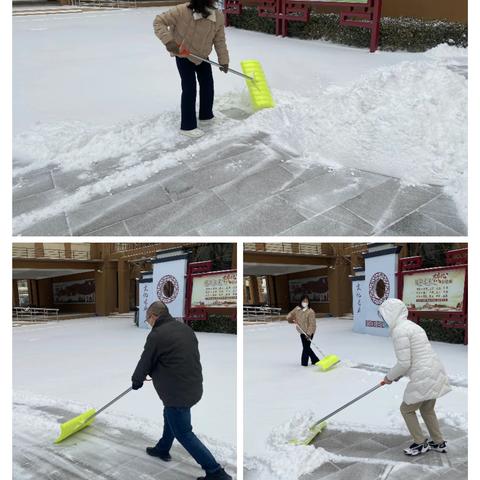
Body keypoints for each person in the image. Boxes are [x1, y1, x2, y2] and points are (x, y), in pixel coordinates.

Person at [131, 301, 232, 480]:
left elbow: (146, 360)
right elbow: (176, 356)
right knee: (169, 414)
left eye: (148, 319)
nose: (149, 323)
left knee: (183, 432)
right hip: (192, 386)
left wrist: (137, 380)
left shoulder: (157, 335)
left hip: (177, 393)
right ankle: (163, 448)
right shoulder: (184, 328)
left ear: (154, 316)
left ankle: (216, 472)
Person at [378, 298, 451, 457]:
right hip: (435, 370)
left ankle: (420, 443)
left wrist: (389, 377)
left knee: (406, 409)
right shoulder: (413, 326)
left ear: (391, 314)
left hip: (423, 375)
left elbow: (404, 363)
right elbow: (415, 357)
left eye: (383, 316)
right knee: (427, 408)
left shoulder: (399, 331)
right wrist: (396, 377)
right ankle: (438, 442)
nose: (383, 320)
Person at [153, 0, 230, 138]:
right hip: (183, 54)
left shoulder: (217, 16)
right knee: (189, 87)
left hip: (202, 55)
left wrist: (223, 60)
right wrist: (169, 41)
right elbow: (159, 21)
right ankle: (187, 126)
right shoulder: (181, 11)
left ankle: (206, 116)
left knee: (207, 84)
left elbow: (219, 40)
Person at [287, 294, 320, 366]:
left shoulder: (310, 311)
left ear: (308, 302)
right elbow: (290, 315)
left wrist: (308, 334)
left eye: (306, 301)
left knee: (306, 347)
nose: (305, 302)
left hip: (309, 332)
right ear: (301, 301)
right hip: (301, 331)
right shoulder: (297, 309)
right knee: (306, 347)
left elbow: (312, 324)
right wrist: (290, 319)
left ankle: (306, 362)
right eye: (303, 301)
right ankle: (314, 360)